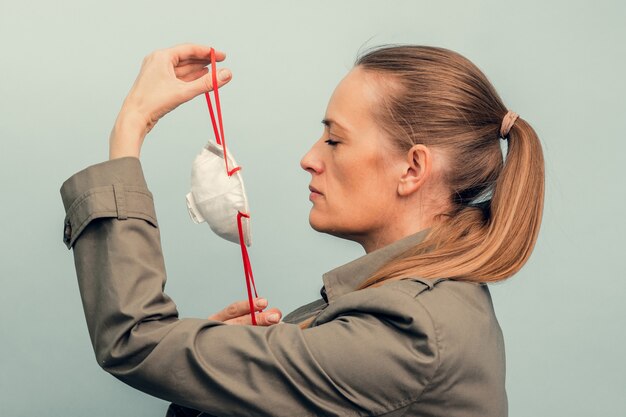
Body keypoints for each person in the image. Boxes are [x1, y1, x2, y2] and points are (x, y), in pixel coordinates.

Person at [60, 43, 544, 417]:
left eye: (335, 139)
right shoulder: (416, 303)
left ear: (412, 169)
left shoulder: (409, 333)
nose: (310, 158)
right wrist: (218, 375)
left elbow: (134, 339)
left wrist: (131, 126)